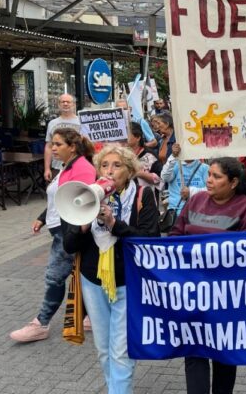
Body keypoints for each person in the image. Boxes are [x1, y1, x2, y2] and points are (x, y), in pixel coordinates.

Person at [64, 145, 160, 393]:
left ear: (129, 171)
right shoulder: (88, 195)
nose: (110, 170)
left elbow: (149, 239)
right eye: (104, 165)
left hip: (128, 282)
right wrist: (84, 222)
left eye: (117, 165)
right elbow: (69, 245)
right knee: (104, 350)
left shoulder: (143, 196)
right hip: (93, 281)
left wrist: (114, 223)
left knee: (121, 351)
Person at [170, 157, 246, 394]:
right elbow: (175, 236)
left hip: (226, 298)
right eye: (209, 174)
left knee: (223, 356)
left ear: (233, 182)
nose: (208, 180)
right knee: (194, 352)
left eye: (216, 176)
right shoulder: (196, 200)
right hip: (193, 293)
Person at [10, 128, 96, 342]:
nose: (53, 148)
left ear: (72, 147)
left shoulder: (82, 168)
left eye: (58, 144)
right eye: (52, 144)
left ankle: (41, 323)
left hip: (67, 232)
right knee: (81, 273)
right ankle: (90, 315)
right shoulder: (68, 165)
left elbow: (83, 204)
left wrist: (72, 236)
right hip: (60, 229)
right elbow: (59, 196)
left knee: (54, 277)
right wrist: (42, 216)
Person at [161, 143, 209, 216]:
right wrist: (173, 156)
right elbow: (165, 177)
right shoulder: (174, 165)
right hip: (176, 213)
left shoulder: (204, 168)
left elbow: (212, 191)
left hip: (198, 213)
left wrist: (191, 191)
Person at [44, 93, 81, 181]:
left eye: (68, 102)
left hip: (77, 167)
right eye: (62, 102)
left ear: (74, 104)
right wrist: (47, 168)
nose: (65, 104)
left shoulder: (82, 122)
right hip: (57, 168)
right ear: (59, 104)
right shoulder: (52, 123)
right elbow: (49, 147)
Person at [127, 122, 162, 191]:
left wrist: (140, 174)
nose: (124, 137)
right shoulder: (121, 155)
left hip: (146, 197)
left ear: (138, 137)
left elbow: (160, 180)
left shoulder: (149, 156)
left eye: (127, 135)